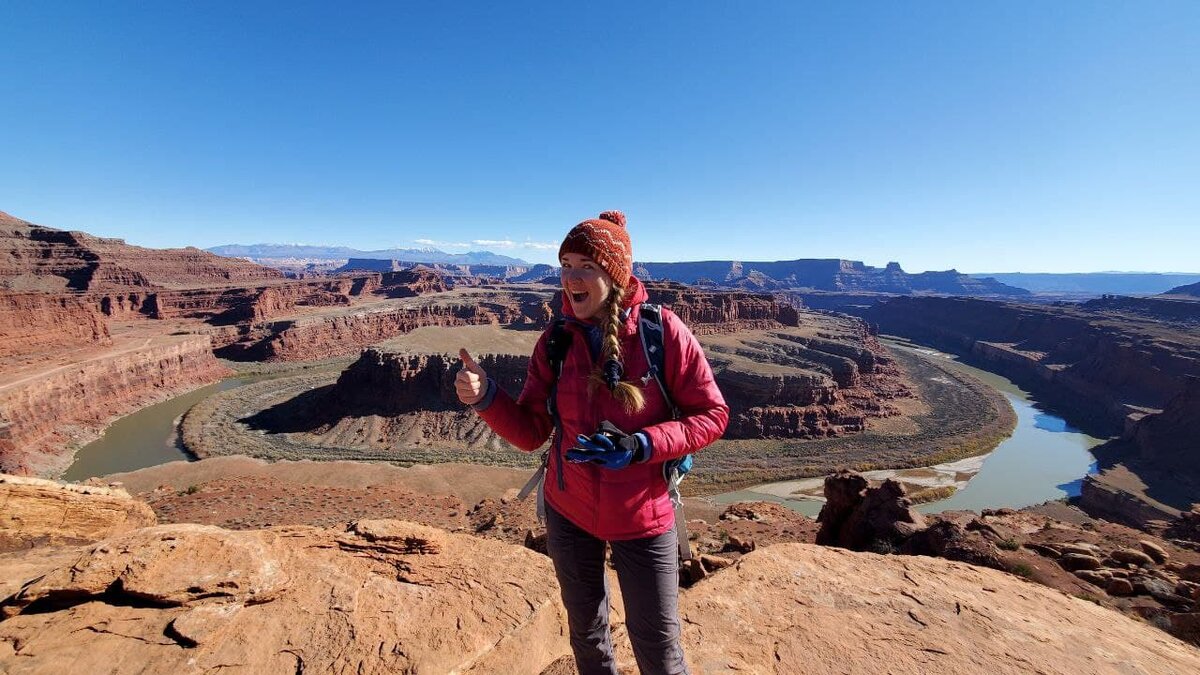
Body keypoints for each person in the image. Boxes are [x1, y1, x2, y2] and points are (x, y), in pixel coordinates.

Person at [456, 210, 729, 675]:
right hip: (569, 511)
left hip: (643, 517)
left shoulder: (662, 334)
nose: (570, 278)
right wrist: (486, 398)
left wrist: (642, 444)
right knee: (587, 637)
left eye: (585, 265)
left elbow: (713, 415)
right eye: (565, 265)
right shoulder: (556, 342)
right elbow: (531, 432)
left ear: (614, 274)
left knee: (659, 650)